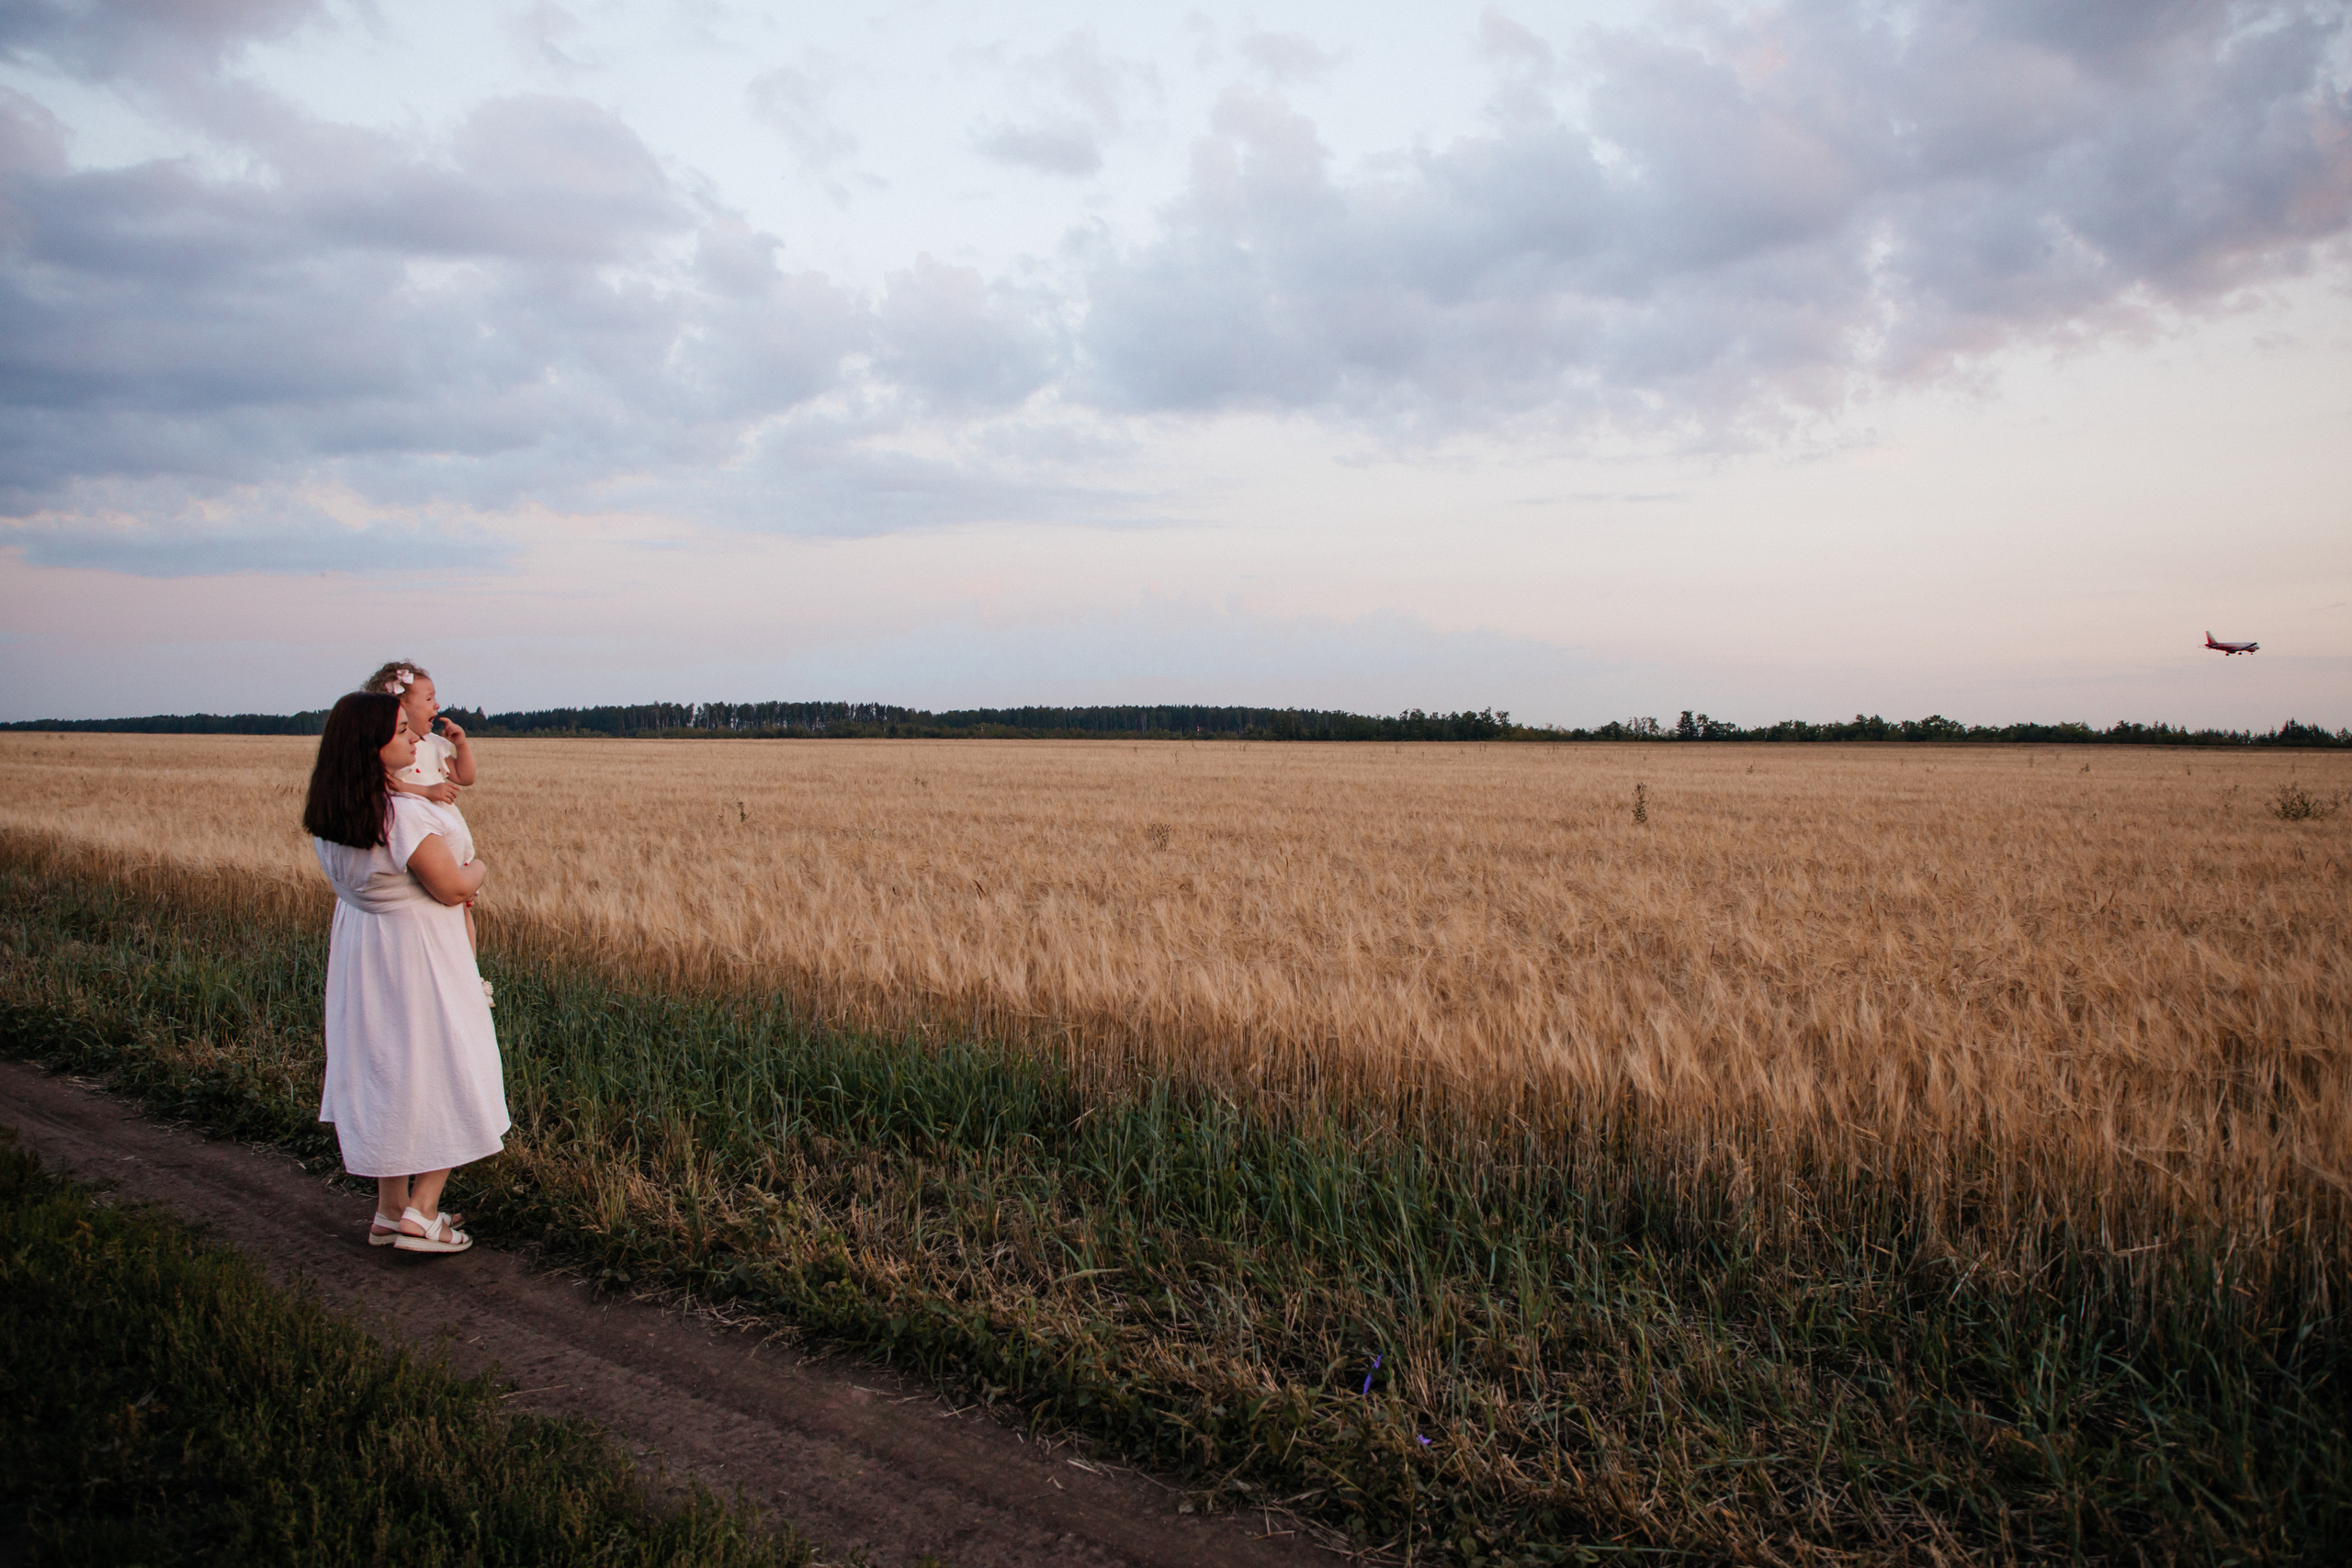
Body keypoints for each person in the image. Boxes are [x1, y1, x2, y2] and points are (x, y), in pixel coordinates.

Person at [302, 689, 509, 1255]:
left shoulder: (333, 812)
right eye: (400, 730)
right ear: (370, 745)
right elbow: (451, 886)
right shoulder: (403, 814)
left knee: (387, 1069)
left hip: (364, 954)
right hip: (420, 957)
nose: (416, 736)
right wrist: (480, 868)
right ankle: (424, 1213)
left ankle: (390, 1210)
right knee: (448, 1065)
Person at [367, 660, 484, 964]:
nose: (438, 704)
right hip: (419, 839)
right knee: (435, 905)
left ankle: (471, 973)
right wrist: (427, 792)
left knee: (462, 910)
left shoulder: (434, 744)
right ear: (399, 707)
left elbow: (465, 776)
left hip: (445, 836)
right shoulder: (394, 749)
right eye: (429, 698)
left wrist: (462, 746)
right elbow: (388, 785)